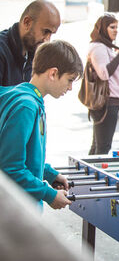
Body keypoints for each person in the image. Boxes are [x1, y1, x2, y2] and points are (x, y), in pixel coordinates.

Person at [0, 40, 83, 209]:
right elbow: (10, 168)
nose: (70, 88)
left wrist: (49, 174)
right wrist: (48, 194)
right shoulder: (26, 107)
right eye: (69, 80)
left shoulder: (24, 97)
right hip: (17, 212)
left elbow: (25, 155)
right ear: (53, 73)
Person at [87, 14, 119, 155]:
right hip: (106, 101)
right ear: (103, 29)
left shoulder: (107, 47)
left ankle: (90, 174)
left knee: (98, 144)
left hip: (113, 99)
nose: (116, 30)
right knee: (103, 146)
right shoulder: (98, 48)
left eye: (117, 27)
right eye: (112, 27)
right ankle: (95, 175)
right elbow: (104, 74)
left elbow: (114, 74)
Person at [0, 0, 61, 86]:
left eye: (51, 34)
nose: (47, 39)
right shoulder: (2, 50)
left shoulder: (32, 52)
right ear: (27, 22)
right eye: (45, 31)